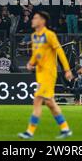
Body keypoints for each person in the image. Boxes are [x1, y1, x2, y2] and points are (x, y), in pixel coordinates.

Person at [18, 11, 73, 140]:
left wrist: (67, 70)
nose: (32, 20)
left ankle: (29, 132)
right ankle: (65, 129)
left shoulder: (50, 35)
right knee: (50, 103)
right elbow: (36, 54)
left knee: (37, 100)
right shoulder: (34, 36)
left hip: (49, 73)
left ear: (42, 21)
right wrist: (31, 63)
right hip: (40, 73)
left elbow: (60, 52)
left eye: (35, 18)